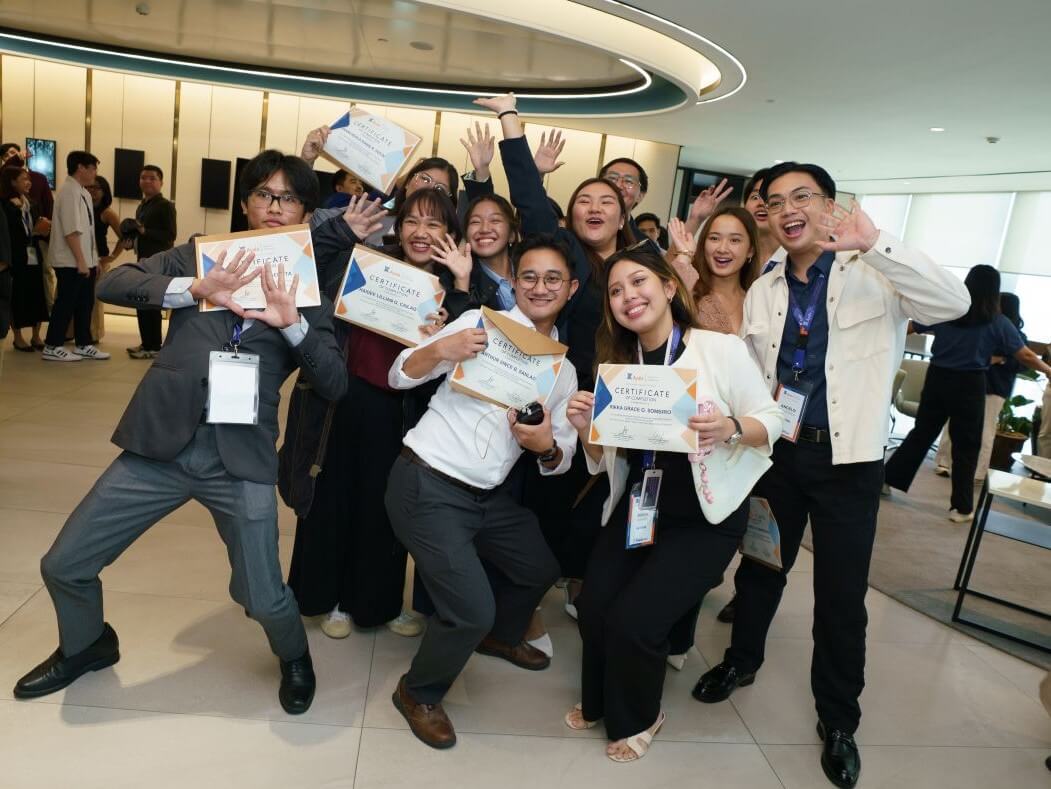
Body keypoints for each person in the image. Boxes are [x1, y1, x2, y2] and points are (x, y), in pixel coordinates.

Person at [12, 149, 347, 715]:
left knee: (264, 597)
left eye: (289, 198)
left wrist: (293, 326)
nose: (274, 205)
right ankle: (87, 644)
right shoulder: (200, 254)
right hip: (159, 446)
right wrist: (195, 288)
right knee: (64, 563)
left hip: (240, 460)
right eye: (264, 194)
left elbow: (335, 382)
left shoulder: (309, 288)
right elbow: (115, 282)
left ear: (305, 214)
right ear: (246, 202)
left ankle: (294, 655)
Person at [692, 161, 970, 789]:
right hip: (779, 456)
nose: (789, 209)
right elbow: (752, 375)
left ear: (829, 204)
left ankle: (839, 719)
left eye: (803, 196)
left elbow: (953, 304)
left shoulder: (873, 272)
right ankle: (741, 661)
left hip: (849, 463)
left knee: (841, 596)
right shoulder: (764, 286)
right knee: (761, 566)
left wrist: (878, 244)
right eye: (776, 201)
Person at [562, 248, 781, 762]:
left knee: (637, 621)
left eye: (638, 282)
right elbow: (602, 462)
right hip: (641, 506)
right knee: (593, 606)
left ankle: (641, 716)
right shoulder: (619, 366)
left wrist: (729, 427)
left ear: (667, 286)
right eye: (616, 291)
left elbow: (772, 419)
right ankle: (598, 700)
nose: (628, 296)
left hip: (705, 517)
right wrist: (586, 430)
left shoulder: (718, 349)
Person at [384, 233, 579, 749]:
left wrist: (544, 447)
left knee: (540, 568)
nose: (540, 287)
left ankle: (496, 637)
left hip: (487, 498)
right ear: (513, 282)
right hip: (426, 482)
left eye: (553, 278)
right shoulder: (477, 323)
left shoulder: (563, 371)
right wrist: (439, 349)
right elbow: (398, 375)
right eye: (529, 276)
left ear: (572, 288)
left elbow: (561, 457)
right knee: (470, 608)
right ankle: (417, 692)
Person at [283, 188, 469, 641]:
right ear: (397, 228)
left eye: (434, 224)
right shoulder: (365, 263)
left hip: (403, 412)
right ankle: (328, 599)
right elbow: (309, 265)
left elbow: (462, 358)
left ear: (450, 233)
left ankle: (376, 603)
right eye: (412, 221)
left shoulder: (453, 288)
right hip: (344, 399)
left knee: (385, 510)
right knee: (332, 499)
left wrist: (460, 293)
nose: (421, 232)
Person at [474, 93, 633, 622]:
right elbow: (528, 198)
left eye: (607, 200)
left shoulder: (641, 266)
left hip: (621, 402)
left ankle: (579, 580)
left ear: (624, 215)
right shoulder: (566, 260)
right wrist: (510, 119)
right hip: (558, 391)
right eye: (584, 199)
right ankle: (527, 594)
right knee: (545, 492)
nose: (594, 207)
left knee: (603, 497)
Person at [885, 270, 1051, 519]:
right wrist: (1048, 370)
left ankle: (886, 480)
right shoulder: (996, 321)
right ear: (994, 292)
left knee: (921, 434)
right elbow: (1025, 355)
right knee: (966, 445)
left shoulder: (946, 311)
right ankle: (961, 508)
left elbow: (910, 327)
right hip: (969, 383)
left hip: (937, 379)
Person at [934, 293, 1043, 481]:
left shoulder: (1017, 335)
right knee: (954, 422)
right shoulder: (983, 326)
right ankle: (943, 462)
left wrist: (1001, 359)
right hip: (967, 382)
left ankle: (977, 472)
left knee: (985, 430)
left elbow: (1023, 363)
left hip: (995, 388)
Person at [42, 150, 109, 362]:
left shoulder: (83, 193)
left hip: (84, 260)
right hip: (70, 260)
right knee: (66, 303)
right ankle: (52, 345)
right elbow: (71, 230)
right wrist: (81, 260)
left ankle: (83, 343)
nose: (95, 173)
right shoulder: (68, 192)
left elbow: (89, 232)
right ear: (80, 167)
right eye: (93, 168)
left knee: (85, 303)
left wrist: (94, 260)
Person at [121, 165, 177, 359]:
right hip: (143, 260)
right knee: (141, 302)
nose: (147, 181)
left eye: (152, 178)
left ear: (161, 182)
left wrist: (144, 231)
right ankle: (146, 343)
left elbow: (170, 236)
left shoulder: (165, 206)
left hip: (157, 263)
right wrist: (131, 243)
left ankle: (153, 346)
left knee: (151, 303)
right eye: (143, 177)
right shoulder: (142, 206)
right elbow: (140, 235)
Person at [0, 166, 50, 351]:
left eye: (29, 179)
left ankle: (36, 335)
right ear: (12, 182)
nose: (28, 183)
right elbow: (10, 234)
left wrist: (43, 228)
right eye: (23, 179)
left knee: (38, 293)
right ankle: (18, 337)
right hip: (16, 256)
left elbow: (36, 228)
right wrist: (33, 230)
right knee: (18, 296)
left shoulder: (32, 203)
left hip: (34, 253)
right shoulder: (5, 205)